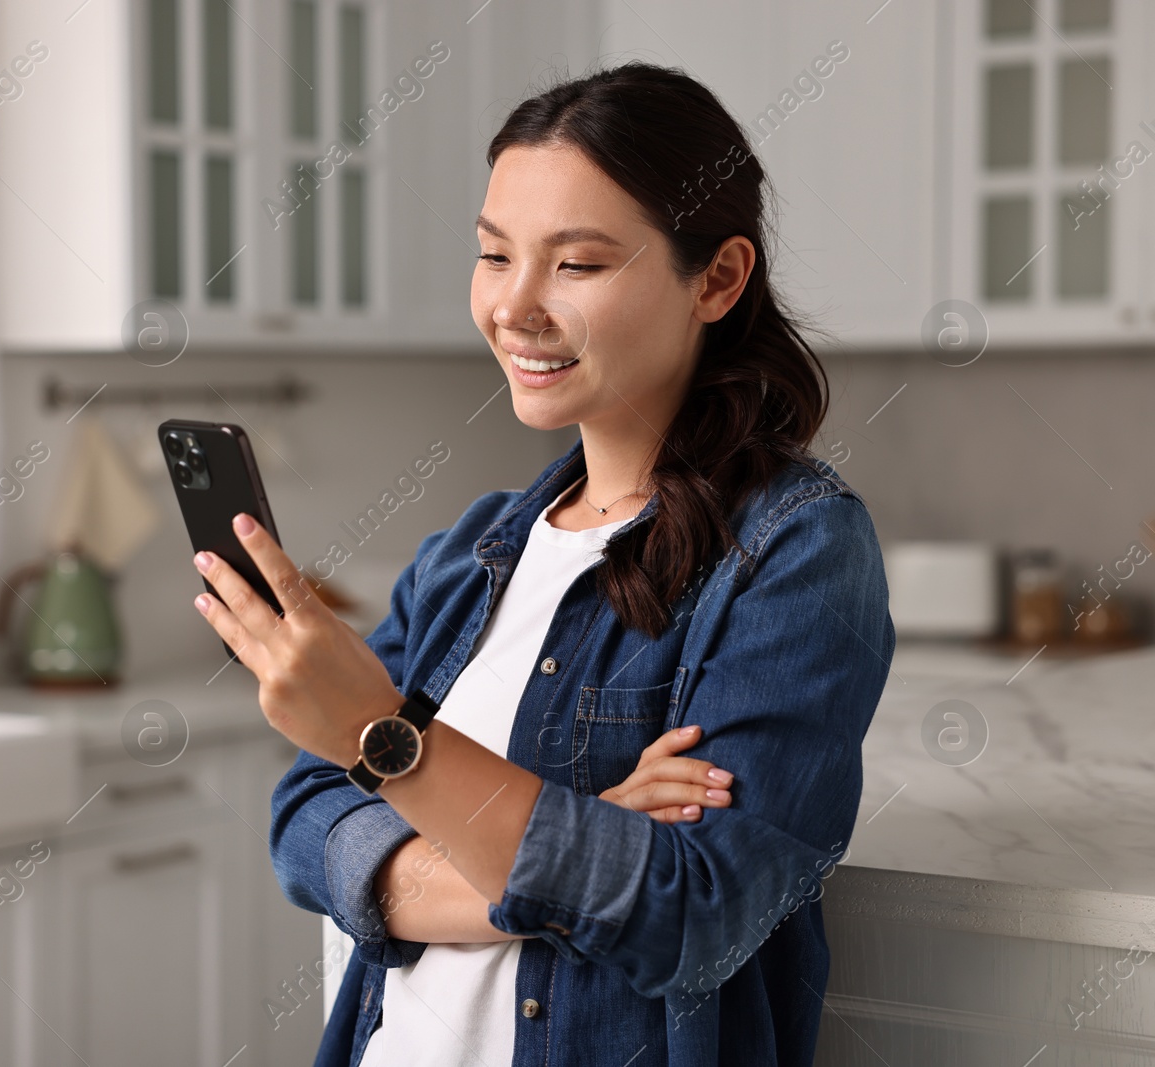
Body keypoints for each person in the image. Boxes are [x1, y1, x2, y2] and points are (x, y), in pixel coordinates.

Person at [189, 61, 895, 1067]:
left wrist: (387, 741)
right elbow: (305, 823)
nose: (513, 306)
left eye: (577, 263)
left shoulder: (796, 548)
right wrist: (581, 836)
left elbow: (696, 912)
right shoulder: (474, 551)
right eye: (492, 254)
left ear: (719, 278)